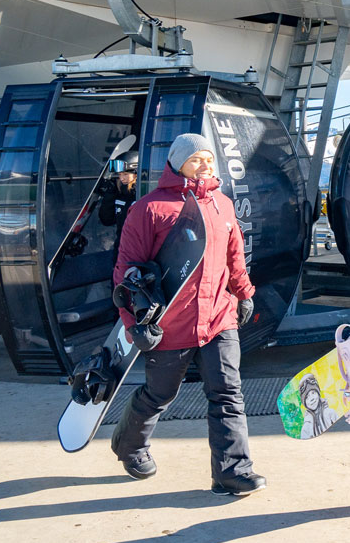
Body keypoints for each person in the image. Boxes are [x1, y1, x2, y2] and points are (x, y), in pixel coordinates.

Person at [109, 132, 264, 496]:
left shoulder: (222, 205)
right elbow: (126, 273)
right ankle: (128, 444)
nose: (205, 165)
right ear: (177, 163)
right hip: (170, 324)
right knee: (159, 394)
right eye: (197, 159)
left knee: (227, 393)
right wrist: (133, 325)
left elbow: (234, 256)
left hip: (217, 318)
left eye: (209, 158)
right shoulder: (148, 208)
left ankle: (232, 471)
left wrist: (244, 294)